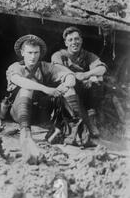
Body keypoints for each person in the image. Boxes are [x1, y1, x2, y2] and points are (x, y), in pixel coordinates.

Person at [6, 35, 86, 164]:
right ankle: (25, 133)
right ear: (22, 53)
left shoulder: (45, 66)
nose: (33, 56)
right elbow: (19, 80)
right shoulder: (15, 67)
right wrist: (46, 89)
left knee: (70, 89)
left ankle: (76, 132)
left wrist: (64, 86)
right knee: (27, 88)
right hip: (20, 112)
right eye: (29, 53)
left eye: (36, 53)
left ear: (40, 53)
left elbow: (70, 75)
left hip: (41, 113)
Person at [51, 27, 107, 138]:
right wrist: (77, 77)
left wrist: (86, 75)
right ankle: (82, 124)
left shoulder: (87, 55)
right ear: (66, 43)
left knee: (98, 80)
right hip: (66, 93)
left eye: (77, 39)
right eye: (70, 40)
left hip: (84, 92)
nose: (74, 42)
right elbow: (58, 68)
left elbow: (102, 68)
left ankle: (91, 118)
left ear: (81, 41)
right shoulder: (59, 55)